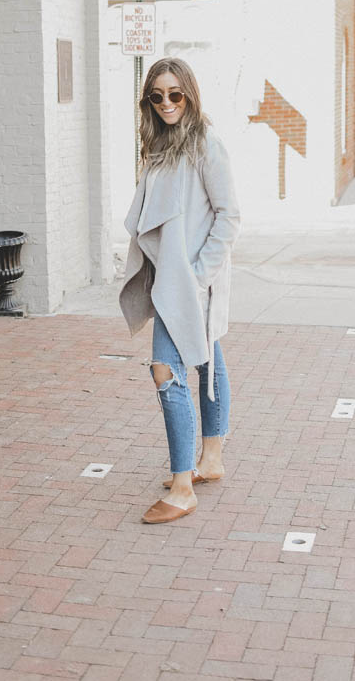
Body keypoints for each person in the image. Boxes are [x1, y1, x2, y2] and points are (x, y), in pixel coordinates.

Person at [119, 57, 240, 524]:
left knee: (165, 370)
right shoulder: (161, 146)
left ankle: (183, 485)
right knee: (208, 358)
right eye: (157, 96)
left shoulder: (207, 144)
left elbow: (230, 215)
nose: (167, 103)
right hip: (169, 277)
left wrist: (198, 275)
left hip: (191, 280)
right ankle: (210, 459)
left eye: (175, 94)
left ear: (189, 94)